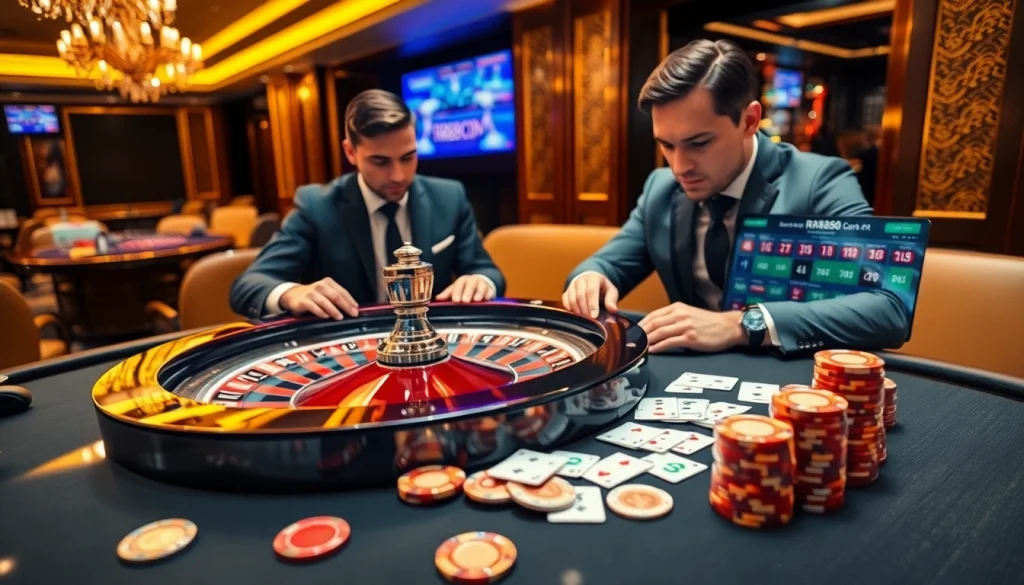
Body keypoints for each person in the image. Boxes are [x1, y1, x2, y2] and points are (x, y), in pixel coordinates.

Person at [563, 39, 908, 354]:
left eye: (699, 143)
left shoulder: (818, 181)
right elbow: (605, 265)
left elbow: (890, 309)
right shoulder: (661, 188)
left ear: (749, 121)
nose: (680, 166)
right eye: (666, 145)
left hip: (790, 386)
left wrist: (740, 323)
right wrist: (589, 279)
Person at [230, 89, 505, 321]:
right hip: (350, 352)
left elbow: (488, 271)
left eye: (408, 157)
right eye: (380, 161)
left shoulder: (449, 196)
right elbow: (248, 286)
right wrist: (291, 293)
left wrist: (481, 281)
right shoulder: (317, 206)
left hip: (433, 346)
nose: (399, 175)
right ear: (351, 152)